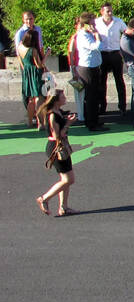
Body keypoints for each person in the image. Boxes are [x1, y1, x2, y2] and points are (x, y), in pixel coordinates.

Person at [35, 89, 77, 217]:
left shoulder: (58, 112)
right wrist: (69, 123)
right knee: (69, 179)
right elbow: (58, 135)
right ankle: (44, 198)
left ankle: (63, 207)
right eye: (62, 96)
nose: (65, 98)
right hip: (56, 148)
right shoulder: (52, 115)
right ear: (56, 100)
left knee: (65, 178)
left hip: (62, 146)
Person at [74, 12, 105, 131]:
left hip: (94, 66)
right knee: (91, 96)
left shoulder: (90, 33)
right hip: (87, 68)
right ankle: (91, 123)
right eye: (92, 23)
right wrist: (96, 34)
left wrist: (95, 33)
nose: (94, 25)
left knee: (95, 95)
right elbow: (96, 46)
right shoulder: (83, 36)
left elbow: (100, 43)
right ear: (86, 24)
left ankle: (95, 120)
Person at [95, 3, 127, 116]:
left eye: (111, 11)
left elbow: (126, 33)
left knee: (119, 80)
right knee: (101, 81)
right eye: (107, 11)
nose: (110, 13)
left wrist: (123, 49)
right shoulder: (96, 22)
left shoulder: (118, 21)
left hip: (115, 53)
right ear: (102, 12)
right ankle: (102, 106)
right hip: (102, 54)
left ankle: (122, 106)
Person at [17, 26, 45, 127]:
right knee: (38, 97)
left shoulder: (20, 47)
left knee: (30, 99)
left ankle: (29, 121)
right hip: (35, 74)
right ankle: (41, 122)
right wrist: (46, 55)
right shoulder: (33, 50)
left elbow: (20, 60)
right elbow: (39, 65)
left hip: (26, 73)